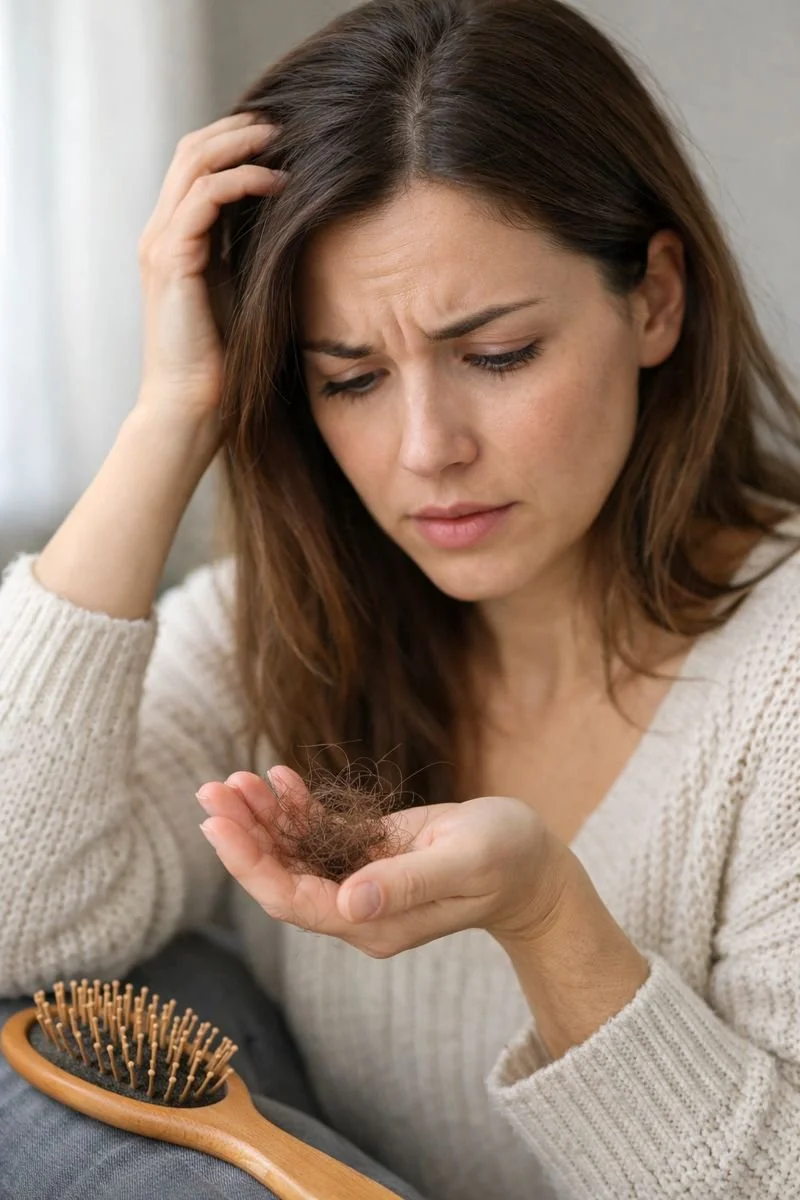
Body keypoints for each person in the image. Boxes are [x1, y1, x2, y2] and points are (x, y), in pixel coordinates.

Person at [1, 0, 799, 1197]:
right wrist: (169, 417)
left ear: (653, 300)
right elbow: (20, 922)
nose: (426, 448)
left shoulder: (778, 688)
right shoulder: (271, 635)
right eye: (351, 378)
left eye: (495, 356)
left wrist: (547, 922)